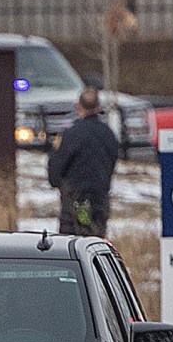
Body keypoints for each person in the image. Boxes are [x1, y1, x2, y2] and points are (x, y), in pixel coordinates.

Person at [47, 86, 121, 237]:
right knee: (96, 240)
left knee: (71, 241)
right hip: (99, 197)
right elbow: (113, 161)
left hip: (74, 199)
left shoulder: (70, 134)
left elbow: (56, 165)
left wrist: (55, 182)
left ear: (78, 107)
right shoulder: (108, 134)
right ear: (99, 108)